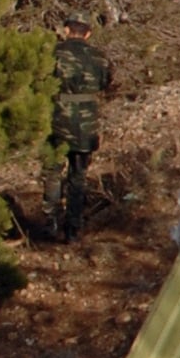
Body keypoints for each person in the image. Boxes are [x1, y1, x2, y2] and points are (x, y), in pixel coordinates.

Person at [46, 19, 111, 242]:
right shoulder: (99, 57)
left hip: (57, 117)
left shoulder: (53, 53)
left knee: (52, 171)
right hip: (86, 121)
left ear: (66, 30)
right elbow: (105, 83)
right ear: (88, 33)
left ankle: (52, 221)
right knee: (79, 175)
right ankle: (73, 228)